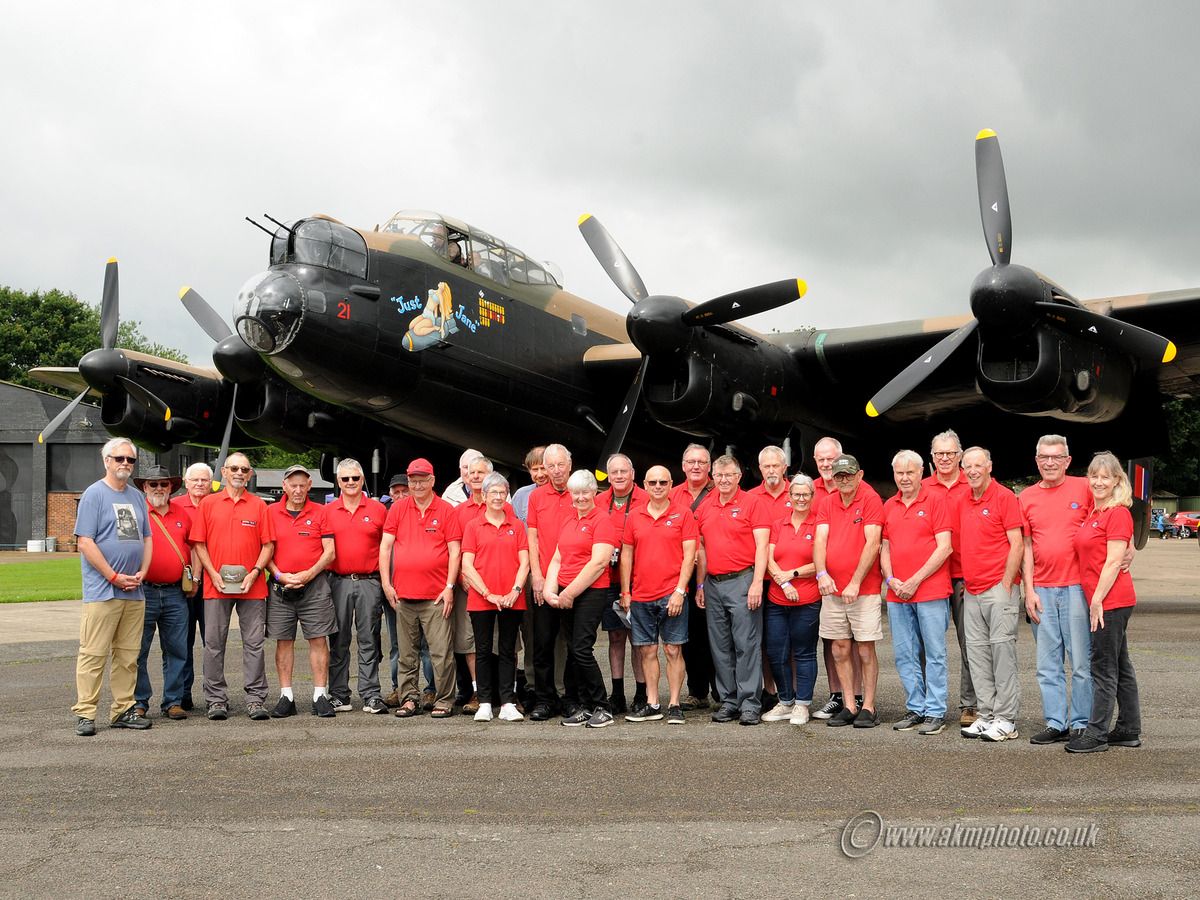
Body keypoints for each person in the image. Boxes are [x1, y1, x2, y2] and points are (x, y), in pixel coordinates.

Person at [71, 439, 153, 736]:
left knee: (128, 655)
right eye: (119, 458)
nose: (125, 464)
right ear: (106, 460)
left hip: (134, 590)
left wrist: (143, 571)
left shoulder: (136, 496)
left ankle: (122, 709)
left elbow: (146, 538)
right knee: (93, 654)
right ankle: (85, 713)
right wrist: (112, 575)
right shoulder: (94, 494)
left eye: (130, 460)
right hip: (103, 591)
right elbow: (85, 542)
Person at [190, 452, 275, 721]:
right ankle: (216, 700)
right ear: (224, 472)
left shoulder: (259, 505)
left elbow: (268, 545)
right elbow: (199, 543)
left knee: (253, 644)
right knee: (214, 643)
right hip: (216, 584)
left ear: (250, 475)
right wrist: (212, 573)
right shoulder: (209, 504)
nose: (239, 473)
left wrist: (255, 572)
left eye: (244, 469)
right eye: (234, 468)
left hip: (253, 585)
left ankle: (255, 699)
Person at [1020, 434, 1094, 744]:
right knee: (1047, 664)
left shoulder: (1085, 488)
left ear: (1067, 461)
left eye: (1056, 457)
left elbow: (1108, 519)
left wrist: (1126, 549)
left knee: (1080, 662)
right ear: (1036, 461)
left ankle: (1081, 723)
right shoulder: (1025, 498)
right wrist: (1029, 590)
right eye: (1044, 457)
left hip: (1077, 588)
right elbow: (1025, 547)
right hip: (1043, 591)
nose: (1050, 462)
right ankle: (1056, 722)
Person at [1067, 452, 1142, 754]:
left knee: (1103, 668)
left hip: (1110, 601)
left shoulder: (1117, 513)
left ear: (1117, 481)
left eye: (1105, 477)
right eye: (1094, 476)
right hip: (1103, 599)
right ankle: (1128, 729)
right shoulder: (1094, 512)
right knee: (1120, 666)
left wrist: (1096, 601)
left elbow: (1113, 562)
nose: (1098, 482)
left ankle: (1096, 734)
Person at [880, 451, 953, 736]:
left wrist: (915, 580)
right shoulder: (890, 505)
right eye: (899, 473)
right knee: (904, 654)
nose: (905, 478)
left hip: (930, 591)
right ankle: (915, 706)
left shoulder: (936, 501)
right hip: (898, 592)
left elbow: (944, 547)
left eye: (910, 472)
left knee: (935, 653)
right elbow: (884, 547)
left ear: (922, 472)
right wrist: (891, 579)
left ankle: (935, 711)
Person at [695, 455, 771, 725]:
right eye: (719, 476)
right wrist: (701, 584)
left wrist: (756, 584)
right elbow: (700, 548)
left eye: (729, 475)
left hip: (743, 580)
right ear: (712, 478)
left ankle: (750, 703)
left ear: (739, 477)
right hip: (713, 584)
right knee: (720, 646)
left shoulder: (753, 503)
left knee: (747, 645)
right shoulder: (705, 507)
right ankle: (729, 700)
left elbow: (762, 546)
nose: (724, 480)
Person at [619, 464, 698, 724]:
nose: (657, 487)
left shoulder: (683, 514)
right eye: (652, 483)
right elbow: (627, 555)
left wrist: (680, 591)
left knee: (673, 650)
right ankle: (653, 703)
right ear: (644, 485)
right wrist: (626, 591)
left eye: (663, 483)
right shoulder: (634, 516)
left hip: (671, 594)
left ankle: (674, 703)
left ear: (670, 484)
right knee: (647, 650)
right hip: (641, 595)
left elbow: (690, 556)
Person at [380, 458, 458, 718]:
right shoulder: (398, 509)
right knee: (406, 654)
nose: (417, 485)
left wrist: (449, 587)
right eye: (413, 480)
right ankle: (409, 699)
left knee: (441, 653)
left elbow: (454, 552)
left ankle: (444, 700)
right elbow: (386, 547)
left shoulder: (446, 510)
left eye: (422, 479)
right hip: (403, 594)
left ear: (433, 481)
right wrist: (386, 583)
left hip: (436, 596)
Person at [957, 447, 1024, 742]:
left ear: (989, 466)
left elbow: (1017, 544)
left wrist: (1007, 582)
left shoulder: (1004, 497)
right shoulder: (963, 501)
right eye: (967, 466)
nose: (972, 471)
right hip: (972, 590)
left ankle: (1006, 719)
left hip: (999, 588)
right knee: (978, 655)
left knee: (1002, 654)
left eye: (977, 465)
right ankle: (986, 716)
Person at [813, 454, 884, 728]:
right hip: (833, 591)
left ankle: (869, 706)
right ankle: (849, 704)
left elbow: (873, 542)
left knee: (865, 649)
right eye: (838, 476)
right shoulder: (828, 502)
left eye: (848, 475)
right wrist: (821, 574)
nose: (843, 480)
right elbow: (820, 541)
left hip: (862, 590)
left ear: (860, 475)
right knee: (840, 649)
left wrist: (855, 581)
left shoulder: (870, 499)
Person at [544, 470, 618, 727]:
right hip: (565, 591)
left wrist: (569, 593)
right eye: (575, 493)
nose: (580, 497)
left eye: (585, 491)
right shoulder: (568, 519)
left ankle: (602, 706)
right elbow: (557, 558)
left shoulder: (602, 520)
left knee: (582, 649)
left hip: (591, 592)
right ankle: (584, 705)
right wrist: (549, 590)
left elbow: (598, 564)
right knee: (573, 650)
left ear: (594, 492)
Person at [266, 465, 337, 718]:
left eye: (302, 485)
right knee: (284, 641)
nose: (297, 490)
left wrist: (308, 574)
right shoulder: (270, 512)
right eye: (292, 485)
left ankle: (320, 695)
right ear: (284, 486)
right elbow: (266, 551)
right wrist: (279, 575)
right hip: (280, 587)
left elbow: (330, 552)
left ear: (309, 486)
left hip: (314, 586)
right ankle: (287, 696)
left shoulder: (321, 512)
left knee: (318, 640)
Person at [460, 471, 529, 722]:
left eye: (503, 492)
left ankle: (508, 702)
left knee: (508, 649)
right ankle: (486, 702)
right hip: (482, 599)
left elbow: (525, 562)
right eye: (494, 493)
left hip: (512, 598)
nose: (498, 497)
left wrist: (515, 590)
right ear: (485, 496)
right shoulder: (473, 525)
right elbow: (467, 565)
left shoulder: (517, 525)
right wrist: (487, 593)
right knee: (483, 650)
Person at [326, 458, 390, 714]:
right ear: (338, 482)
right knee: (338, 640)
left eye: (355, 478)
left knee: (369, 639)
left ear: (362, 479)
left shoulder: (378, 509)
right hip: (338, 582)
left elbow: (389, 547)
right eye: (345, 479)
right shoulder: (327, 511)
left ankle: (371, 694)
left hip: (369, 582)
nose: (350, 482)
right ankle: (339, 694)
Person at [922, 429, 977, 726]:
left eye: (950, 453)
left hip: (963, 576)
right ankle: (927, 704)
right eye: (939, 453)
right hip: (929, 577)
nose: (945, 458)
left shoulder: (974, 484)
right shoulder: (921, 487)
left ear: (960, 455)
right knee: (926, 646)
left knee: (969, 642)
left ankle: (970, 704)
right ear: (931, 457)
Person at [809, 436, 864, 720]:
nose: (827, 464)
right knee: (831, 641)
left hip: (850, 581)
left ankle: (855, 694)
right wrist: (820, 572)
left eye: (831, 459)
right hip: (818, 579)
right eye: (821, 460)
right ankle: (837, 695)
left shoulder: (859, 488)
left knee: (854, 641)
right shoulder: (810, 489)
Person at [761, 474, 821, 725]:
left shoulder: (818, 525)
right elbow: (768, 556)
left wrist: (793, 574)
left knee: (804, 653)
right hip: (778, 599)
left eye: (805, 494)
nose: (800, 498)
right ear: (790, 496)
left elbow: (821, 561)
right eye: (796, 494)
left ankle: (802, 704)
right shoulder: (779, 524)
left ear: (812, 496)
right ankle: (785, 701)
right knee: (776, 651)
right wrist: (785, 583)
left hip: (807, 599)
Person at [135, 465, 193, 722]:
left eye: (163, 484)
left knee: (177, 650)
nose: (159, 488)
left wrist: (195, 580)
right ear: (144, 487)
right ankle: (138, 702)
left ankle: (173, 701)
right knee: (138, 651)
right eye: (153, 484)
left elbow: (195, 547)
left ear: (171, 487)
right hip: (143, 591)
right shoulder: (136, 513)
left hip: (175, 593)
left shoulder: (183, 513)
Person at [526, 444, 580, 720]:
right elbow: (532, 539)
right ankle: (544, 699)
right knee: (543, 642)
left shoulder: (580, 493)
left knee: (573, 643)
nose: (557, 471)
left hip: (573, 580)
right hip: (545, 579)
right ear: (544, 469)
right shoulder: (536, 497)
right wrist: (536, 576)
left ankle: (571, 698)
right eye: (551, 466)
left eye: (561, 465)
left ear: (569, 466)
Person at [595, 453, 648, 714]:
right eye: (613, 472)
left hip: (639, 579)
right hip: (608, 579)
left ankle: (641, 692)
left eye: (623, 472)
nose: (618, 476)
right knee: (615, 636)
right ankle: (617, 693)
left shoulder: (647, 499)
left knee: (638, 638)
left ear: (632, 473)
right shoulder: (598, 502)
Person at [447, 456, 497, 713]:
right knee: (470, 642)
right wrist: (460, 578)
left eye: (481, 472)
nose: (475, 476)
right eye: (471, 472)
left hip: (497, 586)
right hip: (468, 586)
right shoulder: (458, 512)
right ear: (464, 475)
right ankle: (479, 692)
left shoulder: (502, 507)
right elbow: (453, 551)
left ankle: (503, 691)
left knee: (498, 641)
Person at [671, 443, 717, 711]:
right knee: (688, 635)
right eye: (691, 462)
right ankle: (696, 691)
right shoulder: (673, 494)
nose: (696, 466)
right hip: (682, 574)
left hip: (713, 573)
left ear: (709, 466)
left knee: (715, 635)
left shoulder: (719, 491)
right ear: (683, 465)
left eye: (701, 462)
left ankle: (721, 690)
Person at [749, 445, 792, 707]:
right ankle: (769, 689)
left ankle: (795, 690)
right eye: (766, 466)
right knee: (764, 640)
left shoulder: (798, 493)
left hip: (793, 577)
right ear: (760, 469)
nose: (771, 470)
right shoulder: (751, 497)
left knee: (793, 639)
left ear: (784, 467)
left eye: (776, 465)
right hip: (761, 579)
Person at [171, 462, 211, 711]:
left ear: (211, 484)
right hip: (182, 583)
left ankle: (213, 694)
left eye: (204, 480)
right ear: (186, 482)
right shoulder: (174, 507)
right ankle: (183, 694)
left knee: (212, 642)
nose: (199, 484)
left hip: (212, 583)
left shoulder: (217, 505)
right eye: (195, 480)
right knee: (181, 642)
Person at [380, 473, 408, 704]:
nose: (399, 496)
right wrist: (386, 585)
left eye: (404, 491)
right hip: (393, 590)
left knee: (428, 646)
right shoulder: (385, 516)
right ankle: (398, 688)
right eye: (395, 492)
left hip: (423, 589)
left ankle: (429, 688)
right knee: (397, 644)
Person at [511, 446, 547, 524]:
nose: (540, 474)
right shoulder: (521, 495)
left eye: (543, 468)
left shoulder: (567, 493)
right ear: (529, 470)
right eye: (535, 469)